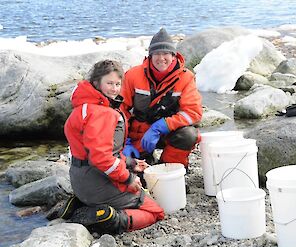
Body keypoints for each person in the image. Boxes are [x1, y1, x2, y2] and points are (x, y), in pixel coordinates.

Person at [63, 60, 164, 235]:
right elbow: (101, 158)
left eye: (118, 84)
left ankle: (83, 203)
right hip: (97, 182)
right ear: (96, 83)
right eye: (109, 83)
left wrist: (130, 163)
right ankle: (109, 218)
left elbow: (100, 152)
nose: (114, 89)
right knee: (155, 212)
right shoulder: (102, 113)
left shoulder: (83, 107)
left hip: (80, 179)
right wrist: (128, 179)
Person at [121, 28, 203, 168]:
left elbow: (193, 113)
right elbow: (119, 109)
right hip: (139, 135)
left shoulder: (186, 78)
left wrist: (160, 126)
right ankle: (146, 159)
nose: (161, 58)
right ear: (150, 56)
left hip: (170, 132)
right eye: (157, 53)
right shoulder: (133, 75)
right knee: (138, 174)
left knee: (188, 134)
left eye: (166, 53)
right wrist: (124, 142)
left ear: (173, 55)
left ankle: (169, 168)